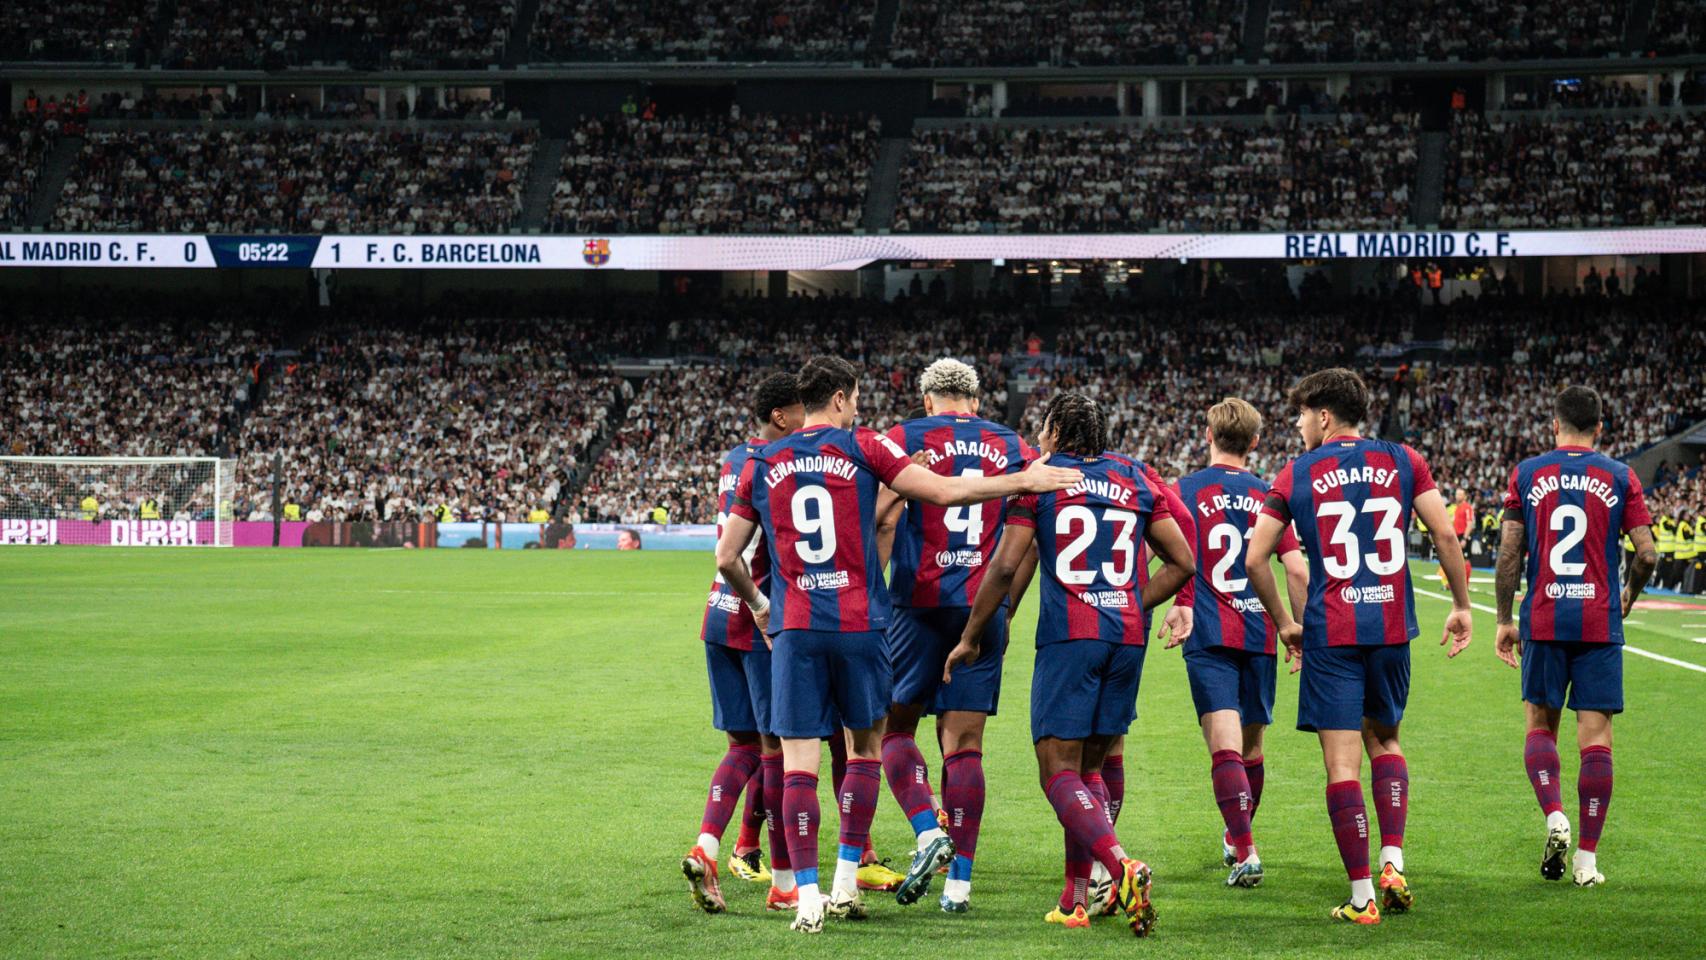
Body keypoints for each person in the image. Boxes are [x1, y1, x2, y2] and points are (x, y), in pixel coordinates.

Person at [714, 355, 1081, 934]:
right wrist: (1023, 481)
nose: (859, 407)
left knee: (803, 764)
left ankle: (806, 898)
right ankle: (884, 881)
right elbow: (943, 494)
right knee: (891, 748)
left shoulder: (762, 460)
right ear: (840, 399)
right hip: (881, 620)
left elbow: (727, 556)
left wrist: (761, 609)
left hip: (814, 626)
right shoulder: (868, 446)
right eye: (856, 397)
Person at [947, 391, 1195, 937]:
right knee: (1089, 771)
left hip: (1070, 639)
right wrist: (1131, 602)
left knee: (1058, 770)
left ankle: (1122, 866)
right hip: (1126, 639)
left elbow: (1006, 566)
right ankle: (1074, 898)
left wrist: (971, 636)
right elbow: (1184, 561)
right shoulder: (1132, 476)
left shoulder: (1040, 477)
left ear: (1055, 431)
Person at [1245, 367, 1474, 926]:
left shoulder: (1295, 472)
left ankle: (1363, 895)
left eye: (1301, 414)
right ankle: (1393, 860)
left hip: (1333, 631)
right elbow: (1445, 534)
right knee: (1387, 741)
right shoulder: (1403, 459)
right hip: (1392, 628)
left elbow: (1255, 558)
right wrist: (1463, 605)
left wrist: (1283, 621)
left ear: (1324, 415)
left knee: (1341, 764)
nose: (1298, 425)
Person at [871, 358, 1030, 913]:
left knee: (893, 730)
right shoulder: (1011, 443)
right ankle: (959, 882)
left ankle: (924, 826)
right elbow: (1028, 532)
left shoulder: (902, 437)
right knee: (964, 746)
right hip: (982, 608)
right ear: (976, 401)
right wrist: (1006, 603)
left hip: (915, 604)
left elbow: (881, 519)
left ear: (927, 398)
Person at [1493, 386, 1657, 887]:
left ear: (1554, 423)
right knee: (1597, 741)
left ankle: (1554, 815)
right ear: (1600, 428)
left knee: (1541, 728)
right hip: (1598, 621)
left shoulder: (1527, 473)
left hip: (1543, 619)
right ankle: (1586, 862)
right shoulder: (1620, 475)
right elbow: (1648, 553)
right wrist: (1628, 592)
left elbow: (1508, 553)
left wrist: (1504, 618)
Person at [1168, 398, 1309, 888]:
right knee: (1251, 748)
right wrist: (1295, 628)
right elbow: (1295, 567)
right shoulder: (1271, 494)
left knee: (1224, 748)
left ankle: (1245, 849)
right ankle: (1237, 839)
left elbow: (1161, 552)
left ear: (1207, 436)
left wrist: (1175, 598)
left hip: (1208, 632)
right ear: (1254, 442)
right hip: (1260, 631)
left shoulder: (1182, 490)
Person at [683, 373, 804, 914]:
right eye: (803, 410)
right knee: (777, 754)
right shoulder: (782, 465)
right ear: (781, 416)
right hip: (756, 619)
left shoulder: (737, 457)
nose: (810, 419)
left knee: (743, 749)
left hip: (717, 613)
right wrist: (766, 609)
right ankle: (783, 883)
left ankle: (707, 847)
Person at [1440, 487, 1474, 587]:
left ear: (1465, 496)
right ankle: (1456, 584)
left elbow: (1470, 523)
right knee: (1456, 560)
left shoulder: (1467, 507)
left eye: (1460, 494)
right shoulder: (1457, 507)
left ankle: (1465, 584)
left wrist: (1464, 538)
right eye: (1457, 494)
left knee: (1465, 560)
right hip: (1457, 536)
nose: (1457, 496)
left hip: (1464, 536)